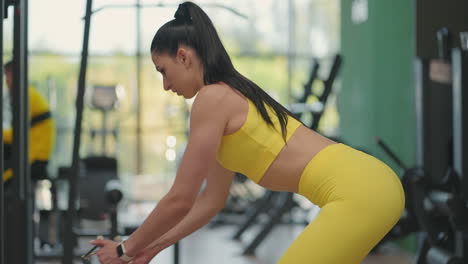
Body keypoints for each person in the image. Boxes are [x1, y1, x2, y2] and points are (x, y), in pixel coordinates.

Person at [90, 2, 405, 264]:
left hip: (360, 190)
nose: (165, 85)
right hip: (367, 186)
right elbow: (209, 201)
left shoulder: (212, 98)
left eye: (163, 71)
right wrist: (153, 245)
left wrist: (124, 248)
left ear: (183, 56)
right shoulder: (225, 99)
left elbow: (179, 199)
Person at [3, 60, 55, 184]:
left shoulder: (25, 96)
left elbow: (18, 134)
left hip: (34, 159)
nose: (6, 81)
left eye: (8, 76)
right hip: (34, 156)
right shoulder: (28, 94)